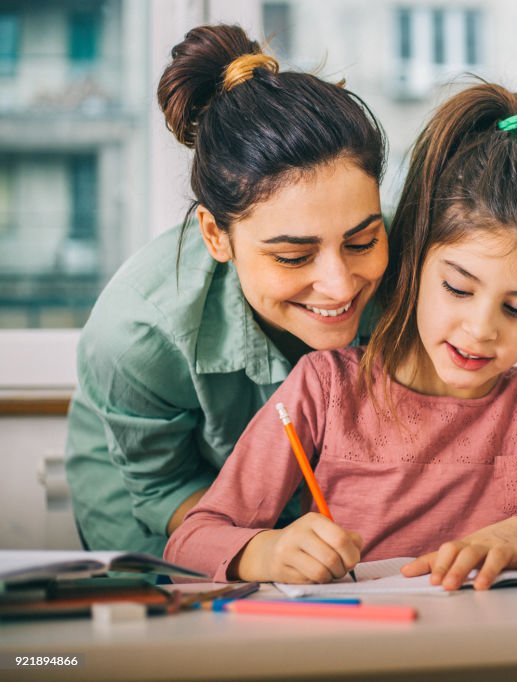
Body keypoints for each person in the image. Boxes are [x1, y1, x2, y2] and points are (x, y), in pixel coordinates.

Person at [165, 82, 517, 589]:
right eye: (458, 289)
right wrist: (266, 551)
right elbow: (191, 539)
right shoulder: (325, 389)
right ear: (413, 264)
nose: (481, 330)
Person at [65, 24, 389, 557]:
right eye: (293, 256)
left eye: (362, 241)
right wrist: (260, 549)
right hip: (159, 500)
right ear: (217, 236)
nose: (339, 284)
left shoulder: (418, 269)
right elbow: (162, 487)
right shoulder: (137, 334)